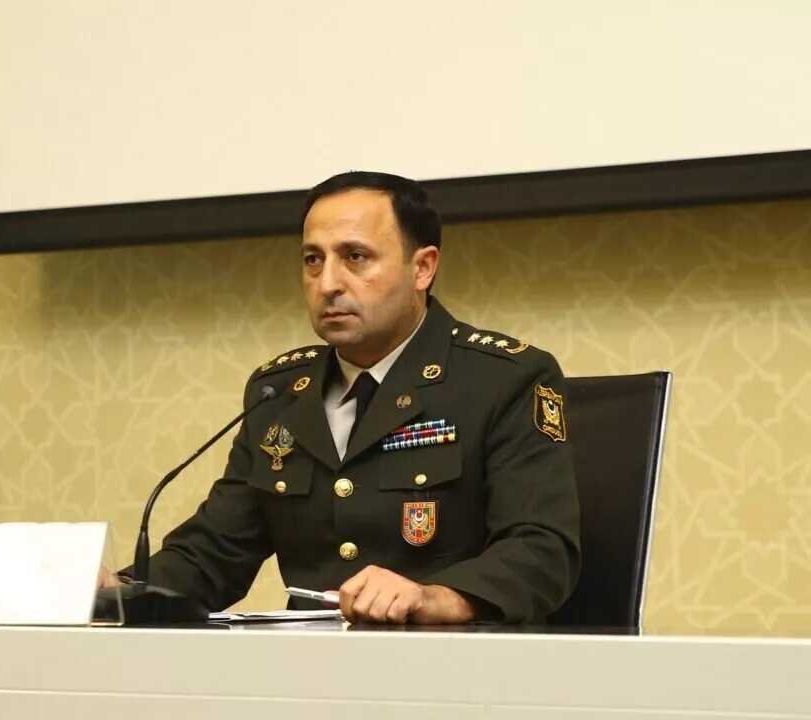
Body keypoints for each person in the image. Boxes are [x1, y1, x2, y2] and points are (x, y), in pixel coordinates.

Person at [124, 170, 581, 625]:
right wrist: (115, 591)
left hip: (451, 657)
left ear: (422, 268)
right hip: (307, 662)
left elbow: (542, 550)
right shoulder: (278, 392)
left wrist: (437, 598)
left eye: (355, 257)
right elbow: (215, 551)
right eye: (313, 259)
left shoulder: (501, 379)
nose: (327, 284)